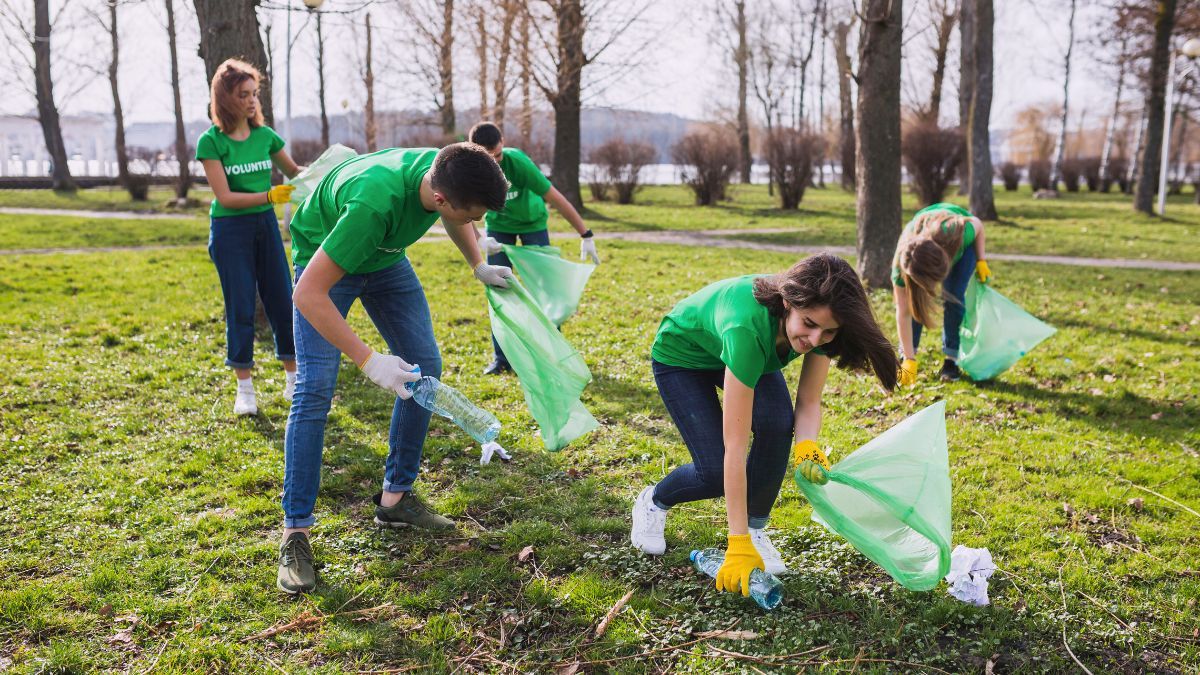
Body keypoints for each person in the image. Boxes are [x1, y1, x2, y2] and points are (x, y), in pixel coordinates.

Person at [276, 143, 513, 594]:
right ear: (441, 197)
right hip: (325, 259)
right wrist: (369, 361)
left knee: (427, 368)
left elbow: (456, 214)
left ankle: (396, 499)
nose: (471, 225)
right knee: (314, 391)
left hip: (384, 261)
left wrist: (478, 263)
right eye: (470, 217)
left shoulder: (445, 167)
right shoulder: (374, 202)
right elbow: (307, 295)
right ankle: (295, 533)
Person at [630, 254, 898, 598]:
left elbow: (809, 401)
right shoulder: (747, 328)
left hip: (745, 350)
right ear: (787, 302)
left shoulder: (822, 324)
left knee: (776, 423)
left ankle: (757, 529)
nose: (816, 339)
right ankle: (653, 501)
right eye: (809, 324)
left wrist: (807, 445)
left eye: (828, 331)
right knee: (713, 471)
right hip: (683, 358)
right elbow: (736, 447)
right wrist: (735, 542)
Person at [197, 58, 300, 416]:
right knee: (240, 305)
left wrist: (332, 168)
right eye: (244, 94)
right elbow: (225, 197)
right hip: (230, 230)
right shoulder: (211, 143)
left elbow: (295, 172)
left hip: (265, 227)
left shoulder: (265, 137)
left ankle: (293, 381)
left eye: (255, 93)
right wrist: (270, 196)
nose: (252, 101)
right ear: (226, 98)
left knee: (283, 300)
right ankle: (245, 391)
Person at [465, 122, 600, 375]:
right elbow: (458, 208)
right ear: (475, 149)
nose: (494, 162)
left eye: (497, 155)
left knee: (545, 287)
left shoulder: (519, 164)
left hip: (532, 224)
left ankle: (555, 353)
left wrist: (586, 234)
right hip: (499, 226)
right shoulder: (472, 167)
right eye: (488, 157)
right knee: (497, 289)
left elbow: (555, 198)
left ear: (503, 142)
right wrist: (479, 238)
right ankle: (501, 359)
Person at [892, 202, 990, 384]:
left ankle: (951, 360)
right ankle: (907, 356)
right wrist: (909, 359)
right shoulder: (901, 265)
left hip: (957, 244)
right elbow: (903, 311)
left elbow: (978, 223)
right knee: (914, 302)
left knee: (953, 297)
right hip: (923, 256)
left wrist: (981, 259)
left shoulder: (958, 233)